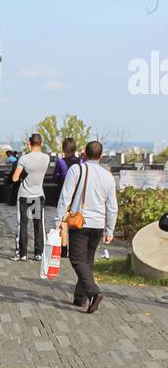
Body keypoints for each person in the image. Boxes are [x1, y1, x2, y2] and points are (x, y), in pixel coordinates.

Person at [55, 139, 117, 312]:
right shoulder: (108, 177)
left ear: (85, 154)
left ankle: (93, 292)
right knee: (88, 260)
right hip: (98, 224)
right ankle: (80, 297)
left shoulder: (77, 170)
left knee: (76, 259)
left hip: (80, 222)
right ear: (101, 156)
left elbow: (65, 197)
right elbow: (112, 207)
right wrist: (109, 230)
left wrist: (58, 221)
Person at [11, 132, 49, 260]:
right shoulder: (46, 158)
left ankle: (23, 253)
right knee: (38, 224)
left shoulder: (24, 159)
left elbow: (15, 178)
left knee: (23, 224)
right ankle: (39, 253)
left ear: (29, 143)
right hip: (38, 195)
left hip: (24, 196)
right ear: (41, 143)